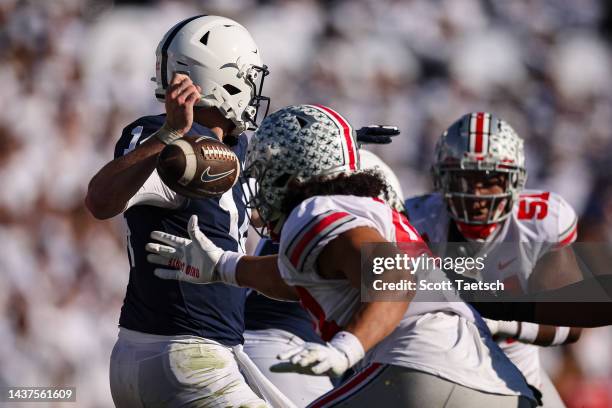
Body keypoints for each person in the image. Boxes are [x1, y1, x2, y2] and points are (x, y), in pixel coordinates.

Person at [146, 104, 537, 407]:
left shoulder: (313, 211)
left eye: (265, 175)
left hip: (423, 372)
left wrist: (346, 347)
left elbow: (395, 278)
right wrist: (223, 267)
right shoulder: (362, 212)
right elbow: (298, 279)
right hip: (502, 386)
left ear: (290, 176)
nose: (261, 190)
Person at [85, 15, 276, 408]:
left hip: (185, 354)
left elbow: (259, 216)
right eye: (249, 77)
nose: (254, 90)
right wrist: (168, 135)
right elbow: (101, 201)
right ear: (226, 79)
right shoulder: (167, 141)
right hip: (184, 353)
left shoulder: (238, 147)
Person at [404, 112, 585, 407]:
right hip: (435, 359)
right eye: (463, 179)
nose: (475, 194)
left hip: (515, 368)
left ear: (515, 180)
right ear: (442, 179)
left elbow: (569, 321)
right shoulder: (416, 219)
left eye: (489, 180)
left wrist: (499, 322)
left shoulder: (540, 221)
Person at [242, 149, 403, 407]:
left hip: (243, 345)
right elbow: (397, 287)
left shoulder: (301, 219)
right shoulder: (342, 228)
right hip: (293, 356)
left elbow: (277, 275)